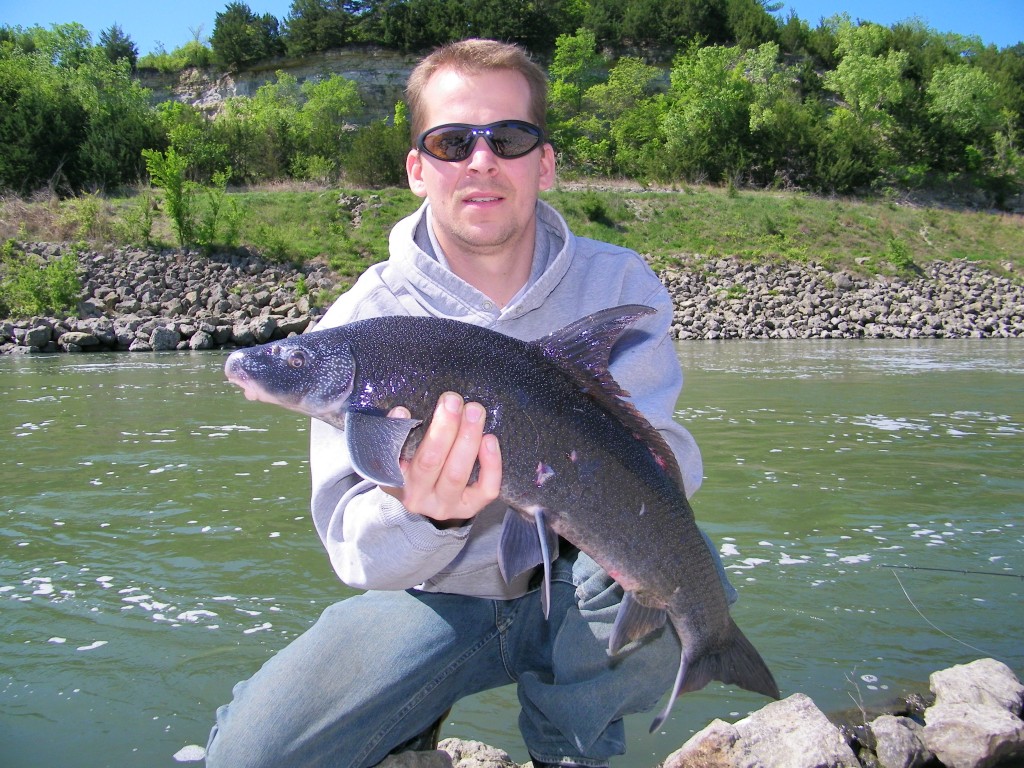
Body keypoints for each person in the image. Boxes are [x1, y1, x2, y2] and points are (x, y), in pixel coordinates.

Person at [206, 38, 734, 768]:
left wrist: (591, 497)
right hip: (436, 599)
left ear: (543, 162)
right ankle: (406, 720)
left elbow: (669, 464)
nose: (481, 160)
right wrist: (427, 511)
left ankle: (571, 744)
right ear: (418, 169)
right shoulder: (359, 319)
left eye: (508, 138)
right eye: (453, 141)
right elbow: (355, 549)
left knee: (687, 563)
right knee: (251, 757)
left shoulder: (620, 285)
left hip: (580, 579)